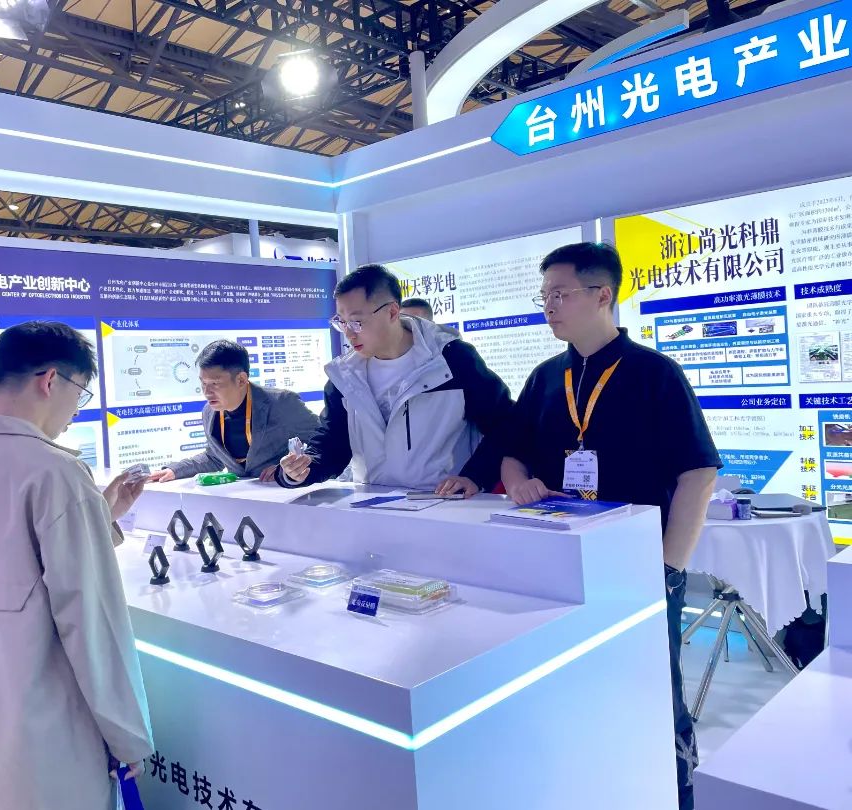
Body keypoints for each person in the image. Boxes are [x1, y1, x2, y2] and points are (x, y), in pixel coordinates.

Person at [499, 242, 720, 810]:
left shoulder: (654, 374)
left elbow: (698, 474)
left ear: (603, 295)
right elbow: (513, 454)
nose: (549, 306)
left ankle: (674, 794)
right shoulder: (546, 377)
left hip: (637, 568)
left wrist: (668, 569)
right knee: (577, 689)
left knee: (652, 690)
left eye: (560, 294)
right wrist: (518, 482)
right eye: (544, 295)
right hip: (561, 565)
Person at [0, 321, 153, 809]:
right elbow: (93, 623)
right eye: (81, 393)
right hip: (43, 735)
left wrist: (100, 516)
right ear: (52, 380)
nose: (75, 410)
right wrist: (127, 735)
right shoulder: (56, 472)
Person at [277, 264, 513, 496]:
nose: (349, 333)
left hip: (445, 503)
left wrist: (475, 476)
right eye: (342, 322)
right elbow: (334, 442)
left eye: (357, 322)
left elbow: (504, 422)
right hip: (375, 506)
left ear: (391, 312)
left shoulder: (450, 359)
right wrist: (302, 469)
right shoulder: (345, 375)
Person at [149, 340, 320, 484]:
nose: (207, 392)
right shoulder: (209, 412)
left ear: (241, 380)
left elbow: (324, 441)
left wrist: (288, 468)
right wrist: (175, 470)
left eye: (215, 383)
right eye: (203, 383)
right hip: (240, 500)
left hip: (287, 496)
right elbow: (214, 457)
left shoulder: (282, 403)